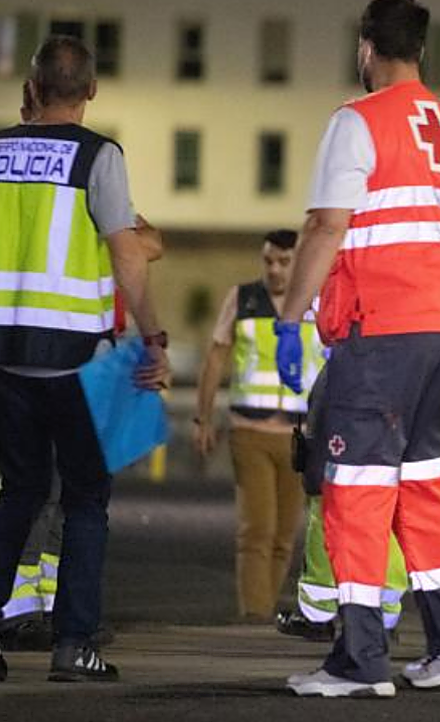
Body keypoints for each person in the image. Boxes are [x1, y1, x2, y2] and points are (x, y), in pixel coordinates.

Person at [274, 0, 440, 699]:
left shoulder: (357, 123)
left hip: (384, 332)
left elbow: (324, 227)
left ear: (366, 48)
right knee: (421, 484)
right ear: (423, 50)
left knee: (356, 486)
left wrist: (289, 318)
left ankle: (359, 659)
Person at [0, 34, 170, 683]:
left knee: (18, 490)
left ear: (32, 85)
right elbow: (128, 250)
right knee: (84, 500)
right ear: (92, 90)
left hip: (1, 349)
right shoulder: (99, 155)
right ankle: (75, 645)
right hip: (77, 354)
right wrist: (153, 338)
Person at [193, 230, 324, 621]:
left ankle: (262, 612)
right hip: (248, 431)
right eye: (268, 260)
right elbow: (216, 358)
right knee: (257, 532)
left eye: (284, 262)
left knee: (284, 537)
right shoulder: (243, 299)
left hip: (299, 437)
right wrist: (203, 416)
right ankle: (255, 618)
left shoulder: (317, 304)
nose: (274, 270)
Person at [276, 365, 410, 642]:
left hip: (345, 445)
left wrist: (313, 467)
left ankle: (317, 614)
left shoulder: (347, 357)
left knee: (325, 512)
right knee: (381, 519)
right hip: (386, 443)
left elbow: (324, 415)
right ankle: (385, 612)